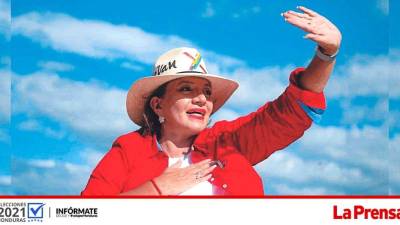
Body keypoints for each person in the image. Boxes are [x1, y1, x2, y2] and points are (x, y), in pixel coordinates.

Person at [81, 6, 341, 196]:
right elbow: (85, 214)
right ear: (158, 105)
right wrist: (157, 188)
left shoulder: (228, 142)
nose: (201, 99)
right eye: (186, 89)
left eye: (207, 92)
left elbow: (289, 111)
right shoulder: (128, 151)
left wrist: (326, 54)